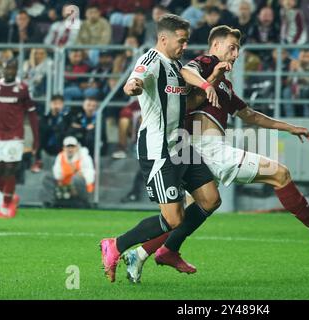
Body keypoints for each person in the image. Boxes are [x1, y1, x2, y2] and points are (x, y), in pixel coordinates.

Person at [122, 25, 309, 283]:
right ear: (216, 45)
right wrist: (211, 80)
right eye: (231, 48)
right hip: (205, 148)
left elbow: (250, 115)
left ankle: (142, 254)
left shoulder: (226, 87)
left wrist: (290, 128)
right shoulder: (206, 62)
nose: (235, 54)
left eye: (238, 50)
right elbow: (187, 73)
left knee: (186, 213)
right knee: (279, 173)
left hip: (196, 154)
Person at [99, 14, 221, 283]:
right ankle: (116, 245)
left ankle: (168, 250)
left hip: (182, 145)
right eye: (181, 40)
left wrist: (210, 81)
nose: (185, 45)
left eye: (187, 40)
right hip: (159, 150)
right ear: (163, 38)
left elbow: (187, 104)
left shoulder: (176, 65)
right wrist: (134, 86)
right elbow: (134, 81)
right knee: (174, 219)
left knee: (211, 199)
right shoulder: (150, 61)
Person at [0, 59, 39, 218]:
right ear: (3, 68)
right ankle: (8, 197)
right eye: (7, 68)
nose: (10, 71)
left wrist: (36, 139)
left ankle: (7, 204)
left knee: (10, 167)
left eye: (13, 69)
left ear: (16, 71)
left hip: (15, 136)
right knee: (0, 169)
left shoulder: (22, 88)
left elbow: (32, 114)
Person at [40, 136, 95, 208]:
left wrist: (78, 173)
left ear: (77, 147)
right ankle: (50, 202)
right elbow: (57, 173)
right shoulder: (61, 156)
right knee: (47, 177)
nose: (70, 149)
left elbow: (90, 176)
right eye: (68, 147)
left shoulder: (84, 157)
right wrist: (60, 179)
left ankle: (84, 202)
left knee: (76, 179)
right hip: (65, 183)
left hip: (80, 186)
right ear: (64, 148)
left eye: (72, 147)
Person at [31, 94, 70, 173]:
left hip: (60, 144)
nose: (57, 106)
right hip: (47, 144)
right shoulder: (45, 117)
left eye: (59, 104)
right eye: (54, 103)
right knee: (39, 134)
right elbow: (43, 127)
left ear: (63, 105)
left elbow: (66, 130)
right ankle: (38, 161)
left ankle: (65, 162)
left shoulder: (67, 118)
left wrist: (56, 127)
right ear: (50, 104)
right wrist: (54, 128)